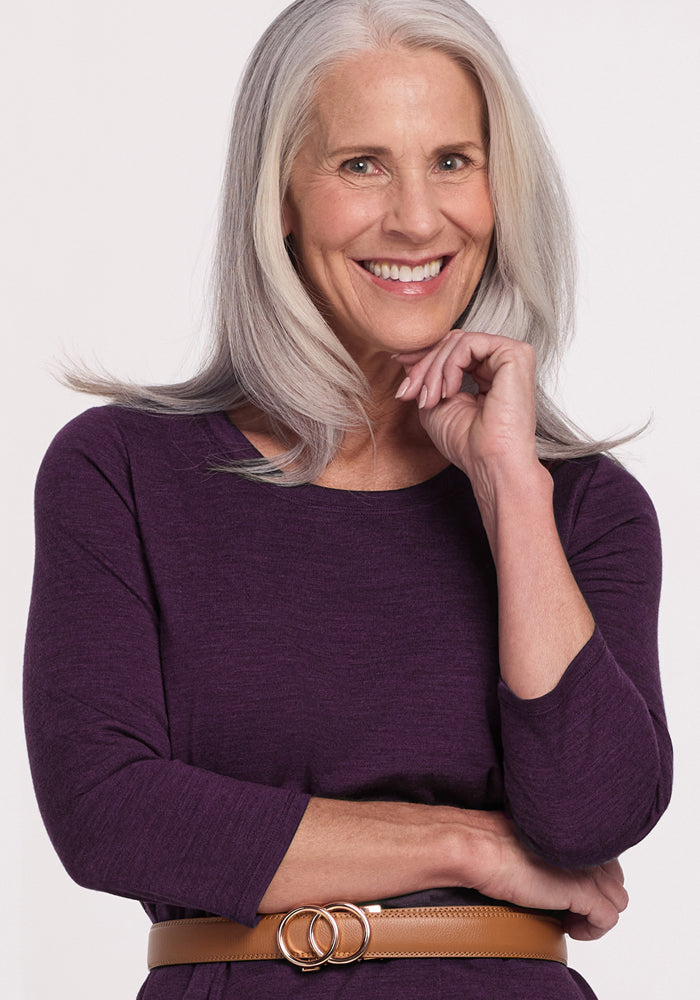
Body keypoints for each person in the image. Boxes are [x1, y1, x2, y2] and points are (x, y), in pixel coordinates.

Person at [24, 0, 672, 997]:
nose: (417, 219)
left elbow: (589, 815)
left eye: (454, 160)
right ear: (279, 193)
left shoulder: (580, 507)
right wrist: (467, 845)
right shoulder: (120, 472)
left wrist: (509, 490)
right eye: (361, 163)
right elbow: (109, 813)